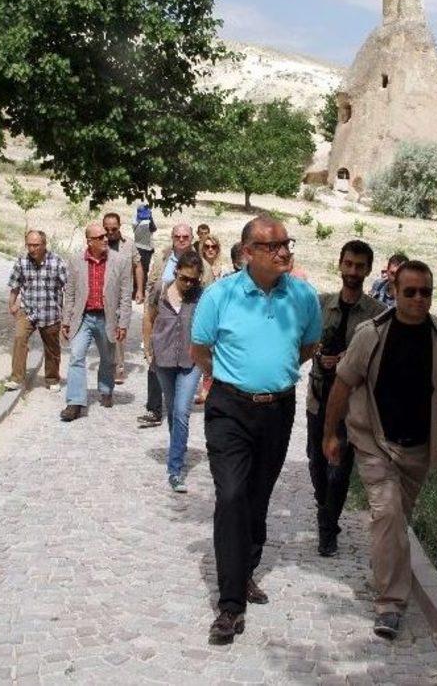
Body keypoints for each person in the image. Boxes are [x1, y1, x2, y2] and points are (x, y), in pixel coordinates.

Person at [191, 215, 322, 646]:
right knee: (231, 495)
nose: (285, 251)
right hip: (229, 408)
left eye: (288, 243)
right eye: (274, 246)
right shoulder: (221, 295)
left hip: (278, 410)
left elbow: (308, 346)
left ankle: (245, 570)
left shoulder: (303, 295)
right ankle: (230, 606)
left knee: (258, 495)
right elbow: (199, 349)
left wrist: (273, 377)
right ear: (249, 252)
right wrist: (234, 379)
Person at [322, 259, 437, 640]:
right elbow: (341, 385)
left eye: (426, 292)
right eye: (411, 292)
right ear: (396, 292)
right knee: (387, 514)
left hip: (420, 447)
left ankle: (392, 576)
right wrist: (330, 434)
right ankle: (390, 603)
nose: (419, 299)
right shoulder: (371, 335)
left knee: (398, 519)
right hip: (374, 440)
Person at [307, 240, 385, 557]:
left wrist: (348, 363)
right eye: (348, 264)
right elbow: (304, 342)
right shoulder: (321, 305)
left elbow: (379, 361)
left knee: (338, 469)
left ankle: (327, 530)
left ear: (367, 270)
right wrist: (318, 354)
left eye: (360, 266)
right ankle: (326, 512)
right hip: (318, 398)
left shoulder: (377, 315)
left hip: (351, 405)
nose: (353, 271)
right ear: (340, 265)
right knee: (317, 463)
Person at [143, 251, 204, 492]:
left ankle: (175, 469)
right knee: (172, 409)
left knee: (181, 412)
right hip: (164, 359)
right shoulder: (160, 289)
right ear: (177, 271)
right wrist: (147, 348)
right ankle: (178, 446)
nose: (189, 284)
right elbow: (149, 318)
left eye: (194, 280)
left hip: (191, 362)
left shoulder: (202, 296)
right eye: (185, 278)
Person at [60, 223, 132, 422]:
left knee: (108, 359)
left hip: (107, 317)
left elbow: (126, 295)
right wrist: (66, 320)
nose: (105, 239)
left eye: (106, 235)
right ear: (89, 241)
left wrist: (123, 323)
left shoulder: (120, 261)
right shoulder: (76, 261)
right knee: (76, 356)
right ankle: (75, 402)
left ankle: (106, 389)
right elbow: (71, 294)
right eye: (100, 237)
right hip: (83, 317)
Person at [138, 223, 196, 429]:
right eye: (177, 236)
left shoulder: (199, 263)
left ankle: (177, 408)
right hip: (162, 320)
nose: (181, 239)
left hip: (186, 324)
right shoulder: (163, 259)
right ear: (172, 237)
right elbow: (151, 288)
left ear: (191, 238)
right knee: (155, 363)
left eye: (185, 236)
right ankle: (154, 409)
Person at [5, 230, 67, 392]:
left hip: (50, 312)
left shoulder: (57, 262)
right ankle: (16, 378)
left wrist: (68, 313)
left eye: (36, 245)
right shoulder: (22, 261)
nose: (32, 249)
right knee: (19, 338)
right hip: (28, 310)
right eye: (29, 245)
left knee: (52, 348)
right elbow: (15, 284)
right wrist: (12, 304)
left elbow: (68, 287)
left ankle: (52, 378)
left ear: (44, 245)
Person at [103, 212, 144, 384]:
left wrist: (140, 289)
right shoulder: (99, 243)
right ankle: (107, 365)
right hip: (103, 294)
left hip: (123, 294)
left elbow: (138, 266)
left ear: (119, 227)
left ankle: (119, 367)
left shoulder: (129, 245)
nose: (110, 232)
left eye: (113, 228)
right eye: (107, 229)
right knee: (104, 330)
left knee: (120, 331)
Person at [132, 204, 157, 288]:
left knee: (137, 269)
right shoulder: (146, 223)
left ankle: (136, 288)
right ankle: (141, 289)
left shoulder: (135, 222)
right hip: (145, 249)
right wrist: (151, 217)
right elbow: (154, 228)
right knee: (144, 270)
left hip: (138, 247)